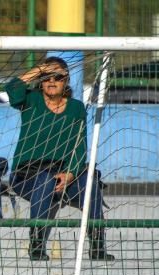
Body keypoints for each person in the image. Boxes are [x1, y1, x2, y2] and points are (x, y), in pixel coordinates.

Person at [7, 56, 114, 261]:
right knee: (45, 180)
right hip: (28, 175)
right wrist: (39, 69)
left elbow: (79, 148)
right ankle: (37, 244)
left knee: (90, 184)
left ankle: (98, 246)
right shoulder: (31, 100)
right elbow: (12, 88)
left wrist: (71, 174)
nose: (52, 81)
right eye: (47, 76)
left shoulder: (76, 108)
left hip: (64, 174)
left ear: (66, 80)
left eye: (57, 76)